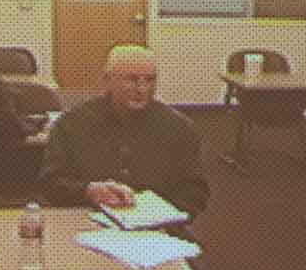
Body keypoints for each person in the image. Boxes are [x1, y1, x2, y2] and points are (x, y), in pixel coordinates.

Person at [42, 45, 208, 215]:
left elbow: (195, 193)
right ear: (107, 80)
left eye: (150, 80)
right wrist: (88, 191)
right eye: (131, 80)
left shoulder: (180, 129)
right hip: (87, 221)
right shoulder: (72, 124)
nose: (142, 89)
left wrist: (159, 213)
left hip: (157, 228)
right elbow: (51, 184)